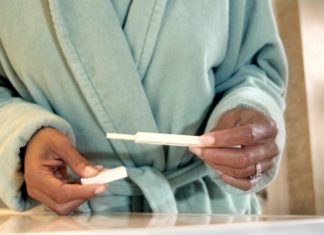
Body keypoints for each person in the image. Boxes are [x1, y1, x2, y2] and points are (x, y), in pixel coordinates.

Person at [0, 0, 287, 215]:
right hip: (62, 219)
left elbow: (255, 68)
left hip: (207, 216)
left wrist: (251, 120)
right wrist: (22, 137)